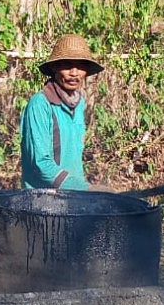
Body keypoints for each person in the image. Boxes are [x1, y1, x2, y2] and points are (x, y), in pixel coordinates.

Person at [19, 34, 104, 190]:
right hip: (43, 200)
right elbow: (41, 164)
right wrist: (87, 189)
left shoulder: (79, 103)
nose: (74, 72)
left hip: (73, 197)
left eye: (80, 66)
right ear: (54, 67)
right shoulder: (40, 104)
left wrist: (82, 188)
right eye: (67, 65)